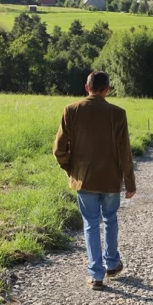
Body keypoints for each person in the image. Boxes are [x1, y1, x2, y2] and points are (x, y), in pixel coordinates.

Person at [54, 71, 137, 290]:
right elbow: (125, 152)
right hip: (111, 179)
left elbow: (59, 149)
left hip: (84, 179)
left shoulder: (71, 111)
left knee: (90, 223)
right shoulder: (118, 114)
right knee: (110, 219)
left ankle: (96, 274)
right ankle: (112, 263)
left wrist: (70, 169)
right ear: (107, 89)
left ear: (86, 87)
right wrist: (130, 183)